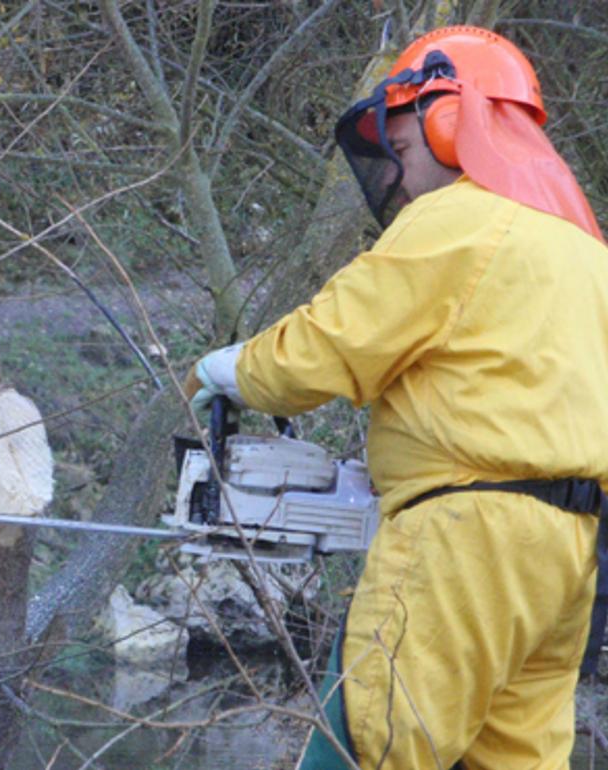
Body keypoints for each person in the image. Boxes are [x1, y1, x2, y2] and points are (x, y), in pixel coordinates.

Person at [185, 26, 608, 770]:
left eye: (404, 153)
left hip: (463, 541)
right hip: (568, 557)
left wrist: (237, 369)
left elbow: (327, 346)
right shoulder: (583, 250)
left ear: (452, 121)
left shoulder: (457, 221)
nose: (401, 181)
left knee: (374, 747)